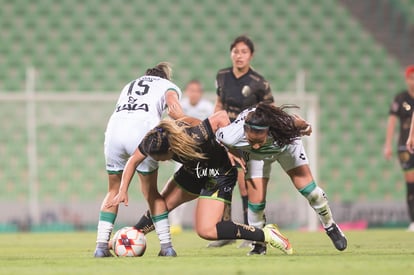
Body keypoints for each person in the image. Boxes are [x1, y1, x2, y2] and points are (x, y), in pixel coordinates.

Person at [106, 111, 294, 256]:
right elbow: (133, 161)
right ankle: (126, 239)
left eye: (163, 159)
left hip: (219, 171)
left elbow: (220, 116)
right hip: (194, 169)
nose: (162, 161)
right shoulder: (153, 139)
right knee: (160, 205)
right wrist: (122, 190)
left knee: (206, 229)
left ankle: (266, 235)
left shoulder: (196, 136)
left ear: (172, 149)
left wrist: (230, 146)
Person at [215, 102, 348, 254]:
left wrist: (306, 128)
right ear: (245, 129)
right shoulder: (231, 135)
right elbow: (216, 134)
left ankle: (330, 226)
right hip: (254, 157)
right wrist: (229, 150)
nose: (257, 145)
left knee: (312, 192)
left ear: (269, 130)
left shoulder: (285, 124)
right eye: (252, 141)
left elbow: (305, 126)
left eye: (260, 140)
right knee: (256, 203)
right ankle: (259, 244)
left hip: (285, 147)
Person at [94, 62, 185, 257]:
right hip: (142, 132)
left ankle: (101, 246)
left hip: (114, 132)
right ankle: (167, 247)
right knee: (151, 192)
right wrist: (183, 124)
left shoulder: (129, 85)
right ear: (165, 77)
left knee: (112, 190)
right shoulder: (167, 86)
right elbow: (173, 106)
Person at [212, 35, 274, 249]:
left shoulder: (259, 83)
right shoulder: (221, 76)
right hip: (226, 137)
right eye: (236, 51)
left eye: (244, 52)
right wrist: (214, 127)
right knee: (224, 180)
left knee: (245, 184)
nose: (239, 56)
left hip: (247, 139)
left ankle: (252, 232)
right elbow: (219, 103)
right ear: (231, 53)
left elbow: (270, 111)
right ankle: (227, 229)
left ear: (251, 55)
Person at [169, 79, 214, 233]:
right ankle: (175, 223)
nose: (193, 93)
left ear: (200, 93)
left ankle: (207, 222)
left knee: (205, 187)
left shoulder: (208, 107)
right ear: (187, 92)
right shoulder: (180, 105)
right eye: (191, 90)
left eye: (197, 90)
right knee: (179, 185)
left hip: (203, 154)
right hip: (183, 152)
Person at [390, 65, 414, 232]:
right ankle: (413, 220)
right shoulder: (400, 98)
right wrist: (387, 144)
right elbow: (391, 121)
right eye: (411, 78)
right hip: (405, 146)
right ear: (407, 79)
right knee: (411, 184)